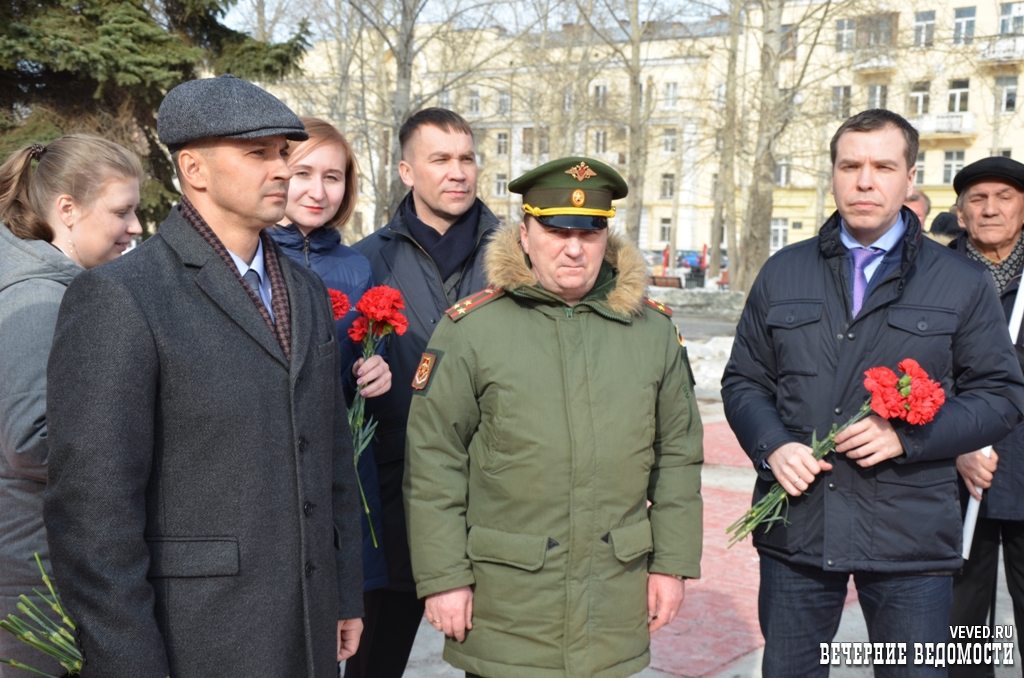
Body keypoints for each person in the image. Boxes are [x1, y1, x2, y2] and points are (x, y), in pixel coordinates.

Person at [43, 75, 363, 677]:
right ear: (194, 168)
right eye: (257, 153)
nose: (282, 171)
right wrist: (128, 662)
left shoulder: (307, 292)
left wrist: (342, 593)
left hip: (309, 627)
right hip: (196, 635)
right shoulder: (121, 298)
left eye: (283, 153)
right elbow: (92, 513)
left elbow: (330, 451)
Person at [722, 109, 1024, 678]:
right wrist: (772, 445)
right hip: (797, 529)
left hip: (909, 539)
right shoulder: (783, 272)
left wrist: (909, 436)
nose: (865, 180)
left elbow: (1000, 395)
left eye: (883, 166)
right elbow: (744, 380)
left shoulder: (959, 281)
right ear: (832, 174)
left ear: (910, 178)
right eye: (850, 165)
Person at [404, 156, 704, 678]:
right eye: (556, 229)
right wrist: (444, 577)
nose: (573, 248)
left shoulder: (652, 334)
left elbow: (678, 456)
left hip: (612, 598)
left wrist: (672, 566)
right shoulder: (473, 330)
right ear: (525, 233)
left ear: (605, 239)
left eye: (588, 234)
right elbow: (434, 463)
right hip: (508, 604)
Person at [347, 107, 499, 678]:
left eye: (466, 158)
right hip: (394, 502)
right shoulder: (364, 261)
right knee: (373, 666)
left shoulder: (518, 257)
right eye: (440, 160)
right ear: (407, 171)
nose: (458, 172)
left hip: (495, 501)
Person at [0, 135, 143, 676]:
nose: (134, 227)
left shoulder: (51, 285)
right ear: (67, 209)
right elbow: (34, 441)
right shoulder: (37, 298)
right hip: (30, 572)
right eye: (121, 211)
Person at [269, 116, 390, 594]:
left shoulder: (356, 267)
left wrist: (374, 370)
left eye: (333, 177)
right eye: (304, 172)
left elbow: (351, 368)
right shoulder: (248, 254)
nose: (318, 190)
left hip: (337, 467)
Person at [946, 156, 1024, 678]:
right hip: (951, 479)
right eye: (978, 198)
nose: (990, 208)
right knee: (963, 629)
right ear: (960, 212)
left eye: (1004, 197)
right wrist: (955, 444)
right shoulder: (932, 276)